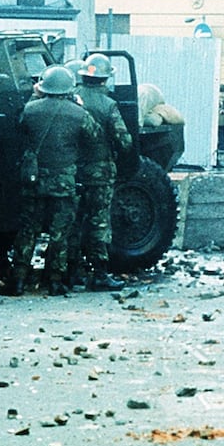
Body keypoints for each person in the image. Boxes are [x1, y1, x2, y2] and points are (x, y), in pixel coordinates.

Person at [6, 65, 101, 297]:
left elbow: (18, 126)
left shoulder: (30, 109)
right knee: (60, 233)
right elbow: (95, 136)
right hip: (63, 183)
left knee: (28, 230)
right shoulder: (78, 114)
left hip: (34, 181)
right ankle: (55, 281)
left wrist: (34, 97)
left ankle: (18, 280)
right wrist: (80, 107)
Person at [67, 54, 133, 292]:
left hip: (72, 171)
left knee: (73, 222)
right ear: (105, 79)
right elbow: (124, 140)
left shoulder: (71, 98)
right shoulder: (108, 105)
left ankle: (70, 273)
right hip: (100, 173)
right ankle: (100, 274)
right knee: (99, 222)